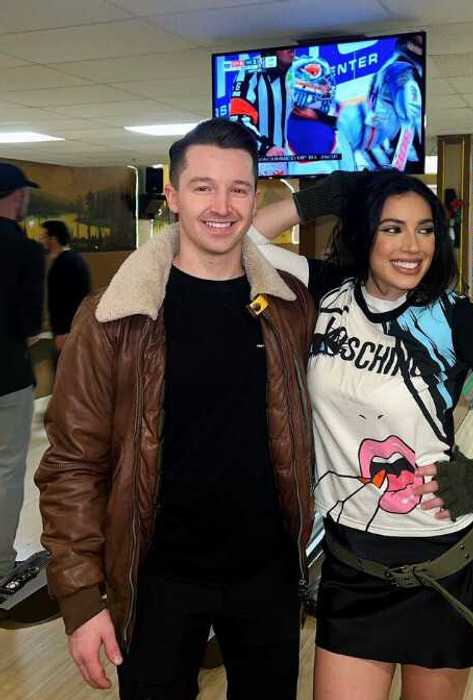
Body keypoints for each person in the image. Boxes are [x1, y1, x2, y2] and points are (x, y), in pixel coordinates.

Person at [249, 170, 473, 699]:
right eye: (392, 228)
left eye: (425, 229)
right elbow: (243, 242)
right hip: (351, 558)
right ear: (364, 234)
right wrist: (314, 200)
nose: (412, 246)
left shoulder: (450, 318)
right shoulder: (328, 290)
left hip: (441, 559)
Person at [35, 118, 317, 698]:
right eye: (203, 187)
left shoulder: (290, 310)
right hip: (155, 577)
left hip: (266, 573)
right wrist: (81, 597)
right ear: (172, 195)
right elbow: (72, 463)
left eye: (238, 189)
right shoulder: (113, 316)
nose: (222, 206)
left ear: (254, 198)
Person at [0, 162, 44, 582]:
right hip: (8, 376)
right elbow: (30, 325)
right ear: (16, 196)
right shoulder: (25, 251)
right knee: (7, 469)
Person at [337, 34, 424, 172]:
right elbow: (409, 123)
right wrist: (400, 167)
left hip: (384, 148)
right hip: (388, 152)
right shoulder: (403, 72)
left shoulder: (393, 67)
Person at [229, 47, 295, 158]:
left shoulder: (301, 70)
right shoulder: (249, 70)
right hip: (262, 160)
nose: (291, 49)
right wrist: (265, 147)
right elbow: (239, 120)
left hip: (297, 160)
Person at [41, 219, 91, 354]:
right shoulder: (74, 260)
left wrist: (63, 332)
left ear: (53, 239)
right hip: (75, 331)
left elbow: (67, 301)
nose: (42, 241)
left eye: (44, 237)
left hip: (67, 334)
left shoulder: (64, 264)